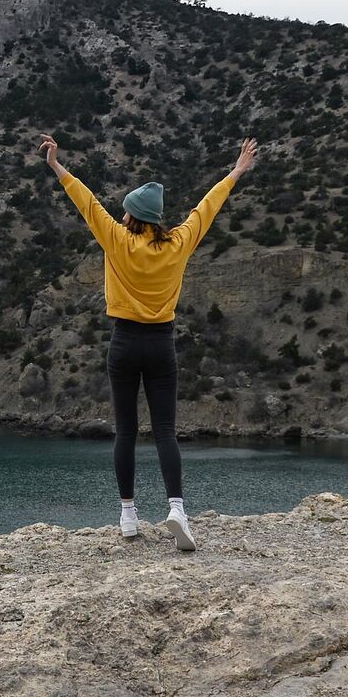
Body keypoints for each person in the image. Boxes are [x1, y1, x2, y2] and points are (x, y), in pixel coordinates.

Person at [40, 134, 259, 549]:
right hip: (161, 344)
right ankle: (177, 508)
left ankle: (127, 514)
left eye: (124, 213)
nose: (119, 217)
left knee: (125, 430)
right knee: (165, 431)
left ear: (131, 217)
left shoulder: (117, 240)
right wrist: (237, 170)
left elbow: (86, 201)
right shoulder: (178, 243)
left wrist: (56, 164)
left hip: (123, 343)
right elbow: (206, 207)